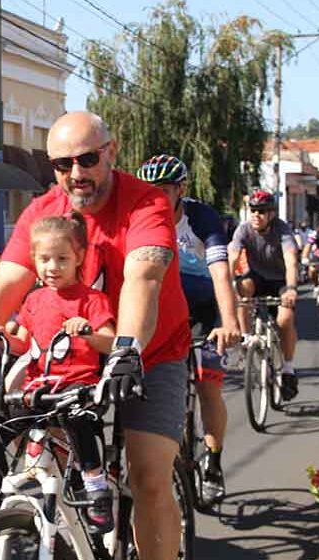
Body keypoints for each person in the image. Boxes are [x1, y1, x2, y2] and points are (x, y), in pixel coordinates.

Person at [0, 111, 191, 560]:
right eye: (61, 165)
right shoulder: (44, 213)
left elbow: (144, 278)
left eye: (88, 159)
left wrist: (127, 349)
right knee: (30, 446)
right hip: (68, 365)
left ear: (110, 152)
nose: (76, 174)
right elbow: (6, 286)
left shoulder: (146, 203)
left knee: (149, 478)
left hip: (149, 353)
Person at [0, 212, 117, 531]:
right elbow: (23, 345)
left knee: (79, 423)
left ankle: (97, 491)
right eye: (45, 259)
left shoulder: (92, 300)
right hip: (38, 393)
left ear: (78, 257)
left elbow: (109, 342)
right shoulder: (35, 299)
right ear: (34, 260)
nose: (52, 267)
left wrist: (86, 333)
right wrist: (0, 336)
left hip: (78, 392)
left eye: (62, 259)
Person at [135, 154, 240, 505]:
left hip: (203, 310)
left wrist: (229, 323)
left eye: (163, 190)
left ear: (180, 190)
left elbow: (221, 274)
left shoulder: (202, 218)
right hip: (163, 311)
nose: (156, 198)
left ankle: (213, 461)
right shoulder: (140, 217)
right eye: (150, 190)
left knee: (208, 381)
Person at [228, 190, 300, 400]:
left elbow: (291, 260)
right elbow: (232, 256)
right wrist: (227, 285)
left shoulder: (282, 230)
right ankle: (247, 337)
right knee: (242, 287)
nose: (256, 215)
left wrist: (292, 288)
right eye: (253, 211)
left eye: (261, 211)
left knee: (285, 320)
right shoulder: (243, 230)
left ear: (271, 214)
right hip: (257, 278)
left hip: (281, 281)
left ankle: (287, 368)